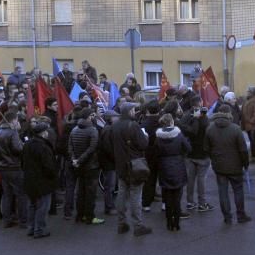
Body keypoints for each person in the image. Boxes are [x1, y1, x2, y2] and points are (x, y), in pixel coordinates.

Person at [110, 101, 152, 236]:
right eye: (134, 110)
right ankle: (138, 226)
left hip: (120, 165)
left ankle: (121, 223)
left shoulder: (114, 126)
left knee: (122, 194)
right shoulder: (133, 125)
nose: (135, 112)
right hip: (134, 165)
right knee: (135, 195)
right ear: (129, 112)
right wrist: (145, 136)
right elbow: (143, 144)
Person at [205, 103, 251, 225]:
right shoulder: (235, 129)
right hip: (235, 165)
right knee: (238, 190)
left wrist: (214, 159)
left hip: (219, 165)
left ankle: (227, 217)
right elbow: (243, 150)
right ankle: (240, 215)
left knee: (223, 191)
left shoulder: (210, 129)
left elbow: (207, 148)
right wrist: (245, 164)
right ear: (229, 113)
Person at [23, 116, 58, 239]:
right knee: (43, 206)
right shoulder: (43, 147)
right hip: (42, 181)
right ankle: (39, 229)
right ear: (43, 133)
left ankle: (31, 228)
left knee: (32, 205)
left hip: (29, 179)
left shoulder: (27, 145)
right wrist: (53, 176)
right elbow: (48, 166)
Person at [155, 113, 190, 231]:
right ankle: (177, 222)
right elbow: (188, 148)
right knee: (177, 197)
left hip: (164, 167)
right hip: (178, 165)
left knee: (167, 196)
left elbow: (155, 152)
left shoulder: (158, 137)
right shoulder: (179, 135)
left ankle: (169, 222)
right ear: (172, 122)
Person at [69, 108, 103, 225]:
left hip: (78, 166)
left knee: (80, 191)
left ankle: (80, 215)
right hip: (91, 166)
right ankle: (90, 216)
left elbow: (70, 147)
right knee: (90, 193)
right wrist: (80, 159)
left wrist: (75, 160)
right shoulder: (93, 130)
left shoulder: (74, 129)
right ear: (89, 117)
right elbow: (92, 148)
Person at [179, 99, 213, 213]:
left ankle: (190, 202)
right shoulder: (204, 120)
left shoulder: (186, 117)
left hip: (190, 152)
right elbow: (208, 134)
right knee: (201, 179)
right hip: (202, 153)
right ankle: (202, 203)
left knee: (190, 179)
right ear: (200, 104)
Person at [0, 113, 27, 227]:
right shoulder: (13, 133)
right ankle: (23, 220)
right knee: (21, 194)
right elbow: (18, 149)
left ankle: (7, 220)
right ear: (13, 121)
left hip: (3, 167)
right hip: (14, 166)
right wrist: (23, 144)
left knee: (7, 194)